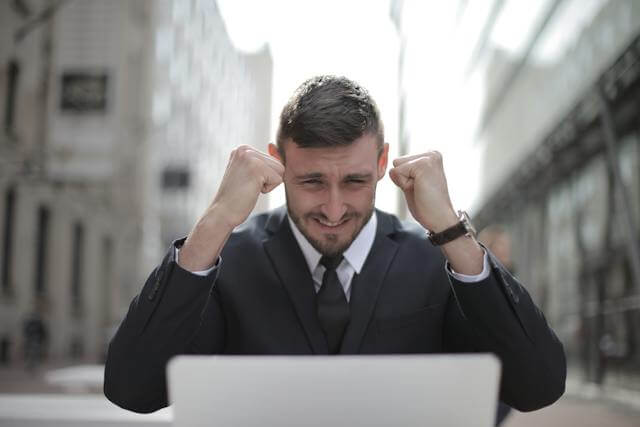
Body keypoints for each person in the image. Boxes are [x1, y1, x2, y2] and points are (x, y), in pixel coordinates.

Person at [104, 75, 566, 415]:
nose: (332, 207)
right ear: (277, 162)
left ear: (383, 162)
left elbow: (538, 385)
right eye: (311, 181)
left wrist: (449, 228)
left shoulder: (439, 262)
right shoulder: (230, 261)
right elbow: (132, 388)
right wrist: (215, 221)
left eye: (355, 181)